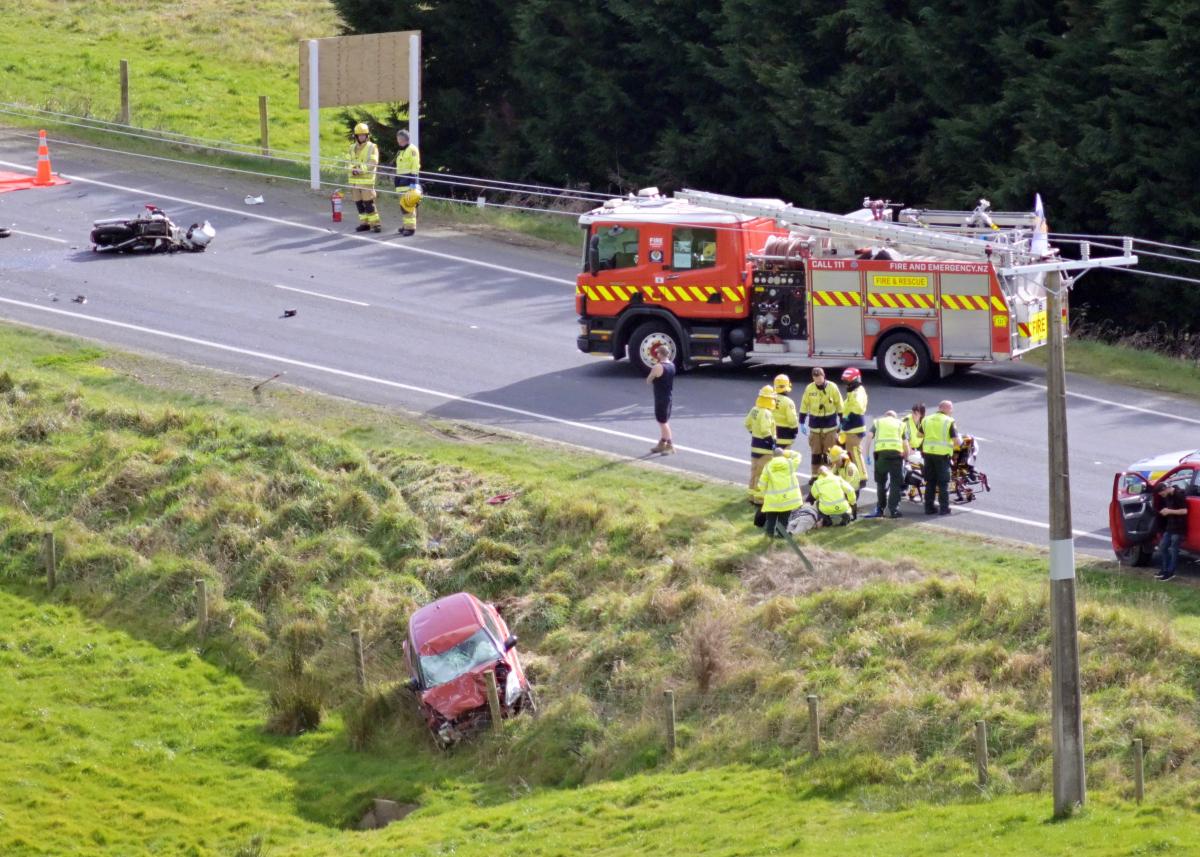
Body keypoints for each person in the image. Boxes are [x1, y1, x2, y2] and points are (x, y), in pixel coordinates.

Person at [864, 410, 909, 519]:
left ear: (885, 416)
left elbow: (869, 437)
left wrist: (867, 455)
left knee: (880, 482)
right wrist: (906, 457)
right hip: (896, 455)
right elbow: (905, 444)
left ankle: (880, 508)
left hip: (881, 455)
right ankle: (892, 510)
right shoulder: (901, 424)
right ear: (895, 417)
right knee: (895, 483)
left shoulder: (878, 422)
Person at [799, 367, 843, 471]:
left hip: (830, 427)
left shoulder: (832, 387)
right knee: (816, 453)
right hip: (815, 427)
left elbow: (839, 404)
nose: (818, 382)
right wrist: (801, 421)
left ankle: (829, 475)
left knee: (829, 453)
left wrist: (842, 420)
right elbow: (804, 405)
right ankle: (815, 475)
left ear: (824, 376)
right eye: (815, 380)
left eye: (819, 379)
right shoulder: (809, 388)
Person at [921, 400, 959, 516]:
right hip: (942, 455)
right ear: (947, 409)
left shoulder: (926, 419)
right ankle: (944, 508)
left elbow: (919, 435)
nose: (951, 411)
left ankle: (929, 508)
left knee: (930, 481)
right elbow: (956, 441)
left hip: (928, 453)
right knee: (943, 482)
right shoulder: (949, 421)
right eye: (951, 409)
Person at [757, 446, 804, 538]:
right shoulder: (790, 464)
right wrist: (786, 452)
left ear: (773, 456)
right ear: (783, 455)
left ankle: (769, 535)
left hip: (773, 500)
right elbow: (798, 456)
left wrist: (764, 494)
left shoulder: (768, 466)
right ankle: (781, 536)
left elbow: (761, 484)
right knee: (784, 519)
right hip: (787, 499)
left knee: (771, 519)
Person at [744, 385, 778, 503]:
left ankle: (751, 495)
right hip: (765, 449)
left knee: (754, 472)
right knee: (762, 474)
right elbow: (765, 430)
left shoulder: (754, 410)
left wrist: (754, 433)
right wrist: (772, 444)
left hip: (755, 446)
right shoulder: (766, 413)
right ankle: (759, 499)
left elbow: (747, 424)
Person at [347, 123, 381, 233]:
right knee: (359, 203)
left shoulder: (372, 147)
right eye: (359, 135)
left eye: (363, 135)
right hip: (354, 181)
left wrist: (360, 170)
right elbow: (347, 162)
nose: (361, 137)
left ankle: (376, 224)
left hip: (366, 180)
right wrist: (352, 169)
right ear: (356, 136)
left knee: (369, 203)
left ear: (367, 135)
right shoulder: (351, 148)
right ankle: (364, 223)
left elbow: (373, 162)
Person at [840, 367, 869, 488]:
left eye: (848, 381)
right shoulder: (853, 392)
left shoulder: (858, 392)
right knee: (851, 452)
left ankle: (862, 478)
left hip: (855, 426)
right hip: (849, 426)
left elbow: (857, 408)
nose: (847, 384)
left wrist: (847, 419)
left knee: (855, 452)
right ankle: (854, 474)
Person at [1156, 481, 1188, 581]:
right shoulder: (1167, 496)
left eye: (1162, 494)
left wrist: (1169, 511)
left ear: (1165, 489)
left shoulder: (1179, 495)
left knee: (1174, 550)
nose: (1162, 496)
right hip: (1170, 526)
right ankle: (1164, 569)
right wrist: (1165, 510)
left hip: (1178, 528)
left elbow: (1184, 511)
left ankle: (1171, 572)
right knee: (1163, 547)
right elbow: (1170, 508)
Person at [646, 344, 675, 455]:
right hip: (668, 396)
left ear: (660, 354)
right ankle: (662, 443)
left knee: (662, 422)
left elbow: (648, 380)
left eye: (657, 352)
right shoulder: (672, 365)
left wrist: (653, 372)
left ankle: (670, 445)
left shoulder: (658, 367)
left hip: (660, 398)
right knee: (664, 420)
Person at [394, 129, 422, 236]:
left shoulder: (412, 149)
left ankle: (410, 228)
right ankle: (406, 225)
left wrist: (413, 183)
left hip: (408, 181)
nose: (397, 141)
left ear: (402, 139)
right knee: (403, 205)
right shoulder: (402, 150)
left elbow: (414, 167)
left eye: (398, 139)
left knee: (408, 204)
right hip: (401, 181)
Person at [827, 445, 860, 519]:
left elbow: (848, 483)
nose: (835, 464)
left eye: (836, 461)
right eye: (834, 462)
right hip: (844, 489)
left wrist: (837, 489)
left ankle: (853, 514)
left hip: (852, 491)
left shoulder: (850, 467)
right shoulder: (837, 466)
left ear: (841, 458)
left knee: (844, 504)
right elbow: (830, 475)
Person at [772, 374, 800, 450]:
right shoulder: (788, 402)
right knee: (783, 461)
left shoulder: (769, 399)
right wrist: (795, 430)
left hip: (771, 436)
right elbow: (792, 420)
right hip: (785, 437)